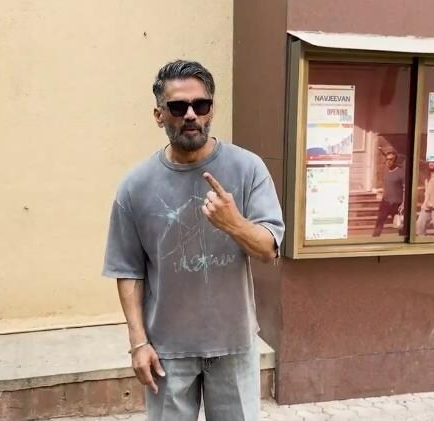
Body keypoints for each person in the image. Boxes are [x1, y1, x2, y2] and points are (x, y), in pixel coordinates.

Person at [102, 59, 284, 421]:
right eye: (178, 107)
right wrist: (139, 343)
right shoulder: (135, 186)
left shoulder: (247, 169)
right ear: (158, 115)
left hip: (233, 343)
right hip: (167, 349)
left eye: (200, 105)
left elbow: (269, 249)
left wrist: (233, 223)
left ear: (211, 109)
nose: (190, 115)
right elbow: (127, 270)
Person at [372, 148, 405, 237]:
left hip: (397, 204)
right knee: (379, 222)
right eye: (387, 159)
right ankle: (374, 241)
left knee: (400, 226)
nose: (388, 162)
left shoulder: (401, 172)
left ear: (395, 160)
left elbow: (405, 189)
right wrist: (380, 191)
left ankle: (403, 243)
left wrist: (403, 204)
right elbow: (388, 186)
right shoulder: (386, 171)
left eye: (391, 160)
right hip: (385, 202)